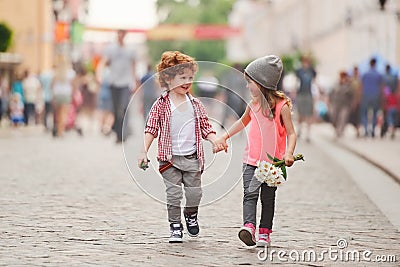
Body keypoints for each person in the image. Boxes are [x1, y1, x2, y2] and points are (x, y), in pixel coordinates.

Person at [137, 51, 221, 243]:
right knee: (173, 195)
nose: (187, 81)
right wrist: (144, 151)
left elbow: (206, 127)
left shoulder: (196, 104)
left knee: (195, 194)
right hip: (169, 160)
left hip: (192, 158)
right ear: (168, 78)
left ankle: (191, 214)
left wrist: (214, 139)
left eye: (190, 77)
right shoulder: (161, 104)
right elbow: (151, 128)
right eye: (182, 77)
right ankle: (175, 226)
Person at [216, 55, 296, 247]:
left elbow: (292, 133)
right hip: (251, 160)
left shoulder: (281, 107)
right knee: (249, 195)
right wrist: (224, 137)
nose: (246, 86)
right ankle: (249, 227)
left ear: (261, 83)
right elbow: (242, 122)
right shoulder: (253, 104)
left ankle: (264, 232)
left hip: (272, 163)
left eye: (249, 82)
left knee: (267, 199)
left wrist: (289, 153)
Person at [99, 29, 136, 143]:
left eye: (122, 33)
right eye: (119, 33)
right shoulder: (111, 49)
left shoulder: (130, 50)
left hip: (126, 83)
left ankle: (124, 132)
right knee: (116, 109)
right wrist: (99, 74)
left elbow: (133, 66)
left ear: (125, 35)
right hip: (114, 82)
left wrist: (134, 81)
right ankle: (119, 135)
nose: (120, 35)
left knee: (124, 107)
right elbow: (103, 62)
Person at [295, 55, 316, 142]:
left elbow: (314, 79)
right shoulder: (299, 71)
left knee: (309, 114)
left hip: (308, 94)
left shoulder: (311, 71)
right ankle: (299, 130)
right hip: (301, 93)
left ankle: (308, 134)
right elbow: (296, 81)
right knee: (300, 113)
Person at [360, 58, 383, 138]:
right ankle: (372, 130)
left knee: (364, 113)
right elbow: (382, 87)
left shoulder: (365, 74)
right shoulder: (379, 74)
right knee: (375, 113)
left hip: (366, 95)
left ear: (369, 64)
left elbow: (361, 86)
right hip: (376, 96)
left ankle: (366, 130)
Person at [328, 71, 354, 138]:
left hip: (345, 105)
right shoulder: (336, 84)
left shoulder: (349, 85)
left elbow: (352, 95)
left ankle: (340, 131)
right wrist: (329, 102)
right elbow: (331, 94)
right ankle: (336, 128)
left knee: (342, 118)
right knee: (334, 117)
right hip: (335, 104)